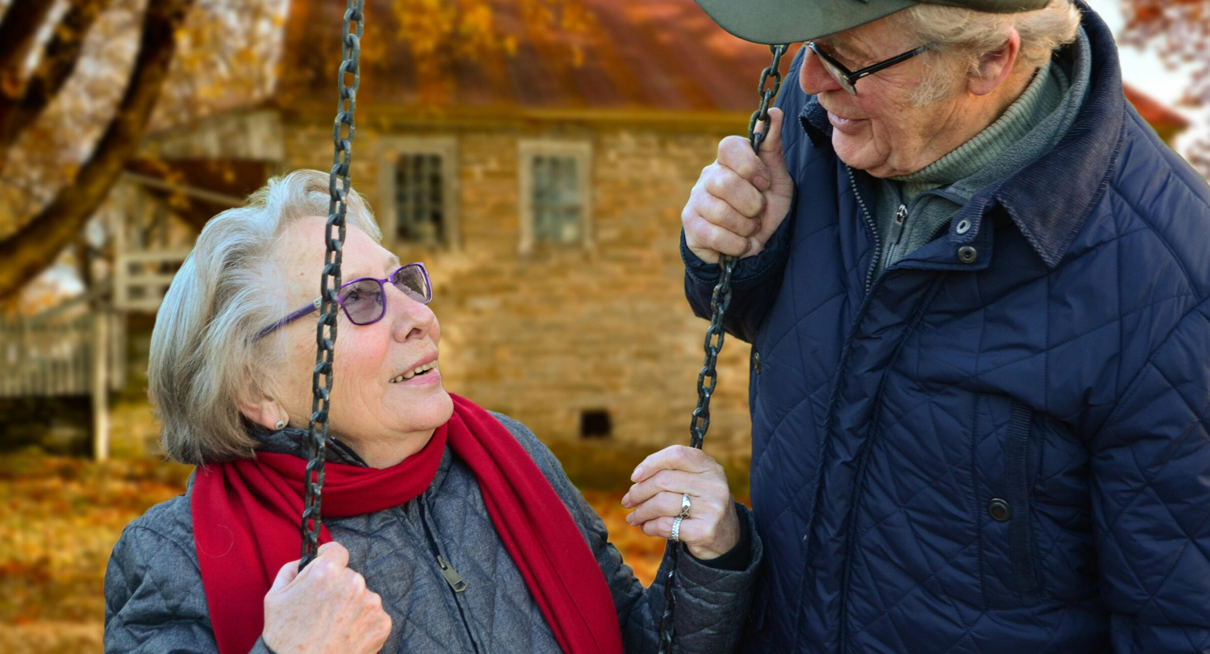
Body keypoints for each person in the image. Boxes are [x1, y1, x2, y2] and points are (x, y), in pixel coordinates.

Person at [676, 0, 1210, 652]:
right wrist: (736, 254)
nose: (810, 80)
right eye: (805, 42)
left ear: (991, 59)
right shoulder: (827, 125)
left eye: (845, 57)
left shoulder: (1188, 292)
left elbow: (1207, 630)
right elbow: (779, 325)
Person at [104, 169, 760, 654]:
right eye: (359, 300)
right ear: (258, 393)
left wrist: (710, 557)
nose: (419, 317)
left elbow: (638, 644)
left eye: (403, 283)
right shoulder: (173, 557)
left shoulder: (508, 456)